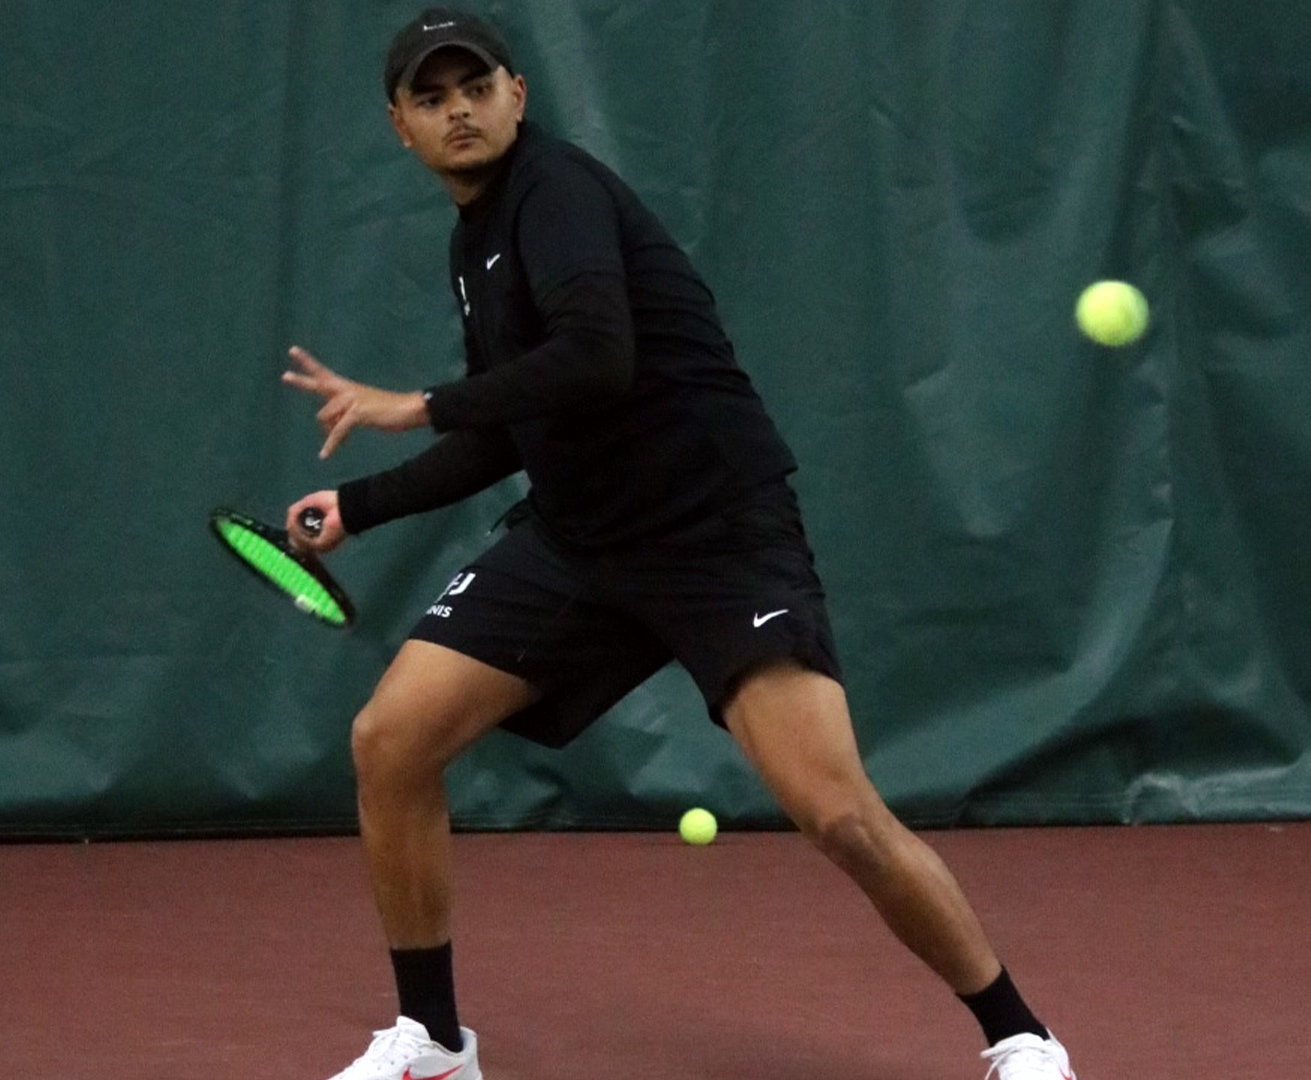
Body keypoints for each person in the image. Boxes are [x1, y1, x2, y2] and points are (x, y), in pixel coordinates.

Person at [279, 10, 1078, 1080]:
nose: (458, 109)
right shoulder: (473, 245)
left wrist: (416, 404)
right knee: (391, 742)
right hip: (580, 540)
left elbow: (597, 357)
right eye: (432, 97)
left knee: (838, 814)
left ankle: (1020, 1035)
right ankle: (432, 1039)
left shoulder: (557, 193)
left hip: (714, 534)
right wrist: (361, 506)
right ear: (400, 127)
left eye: (477, 86)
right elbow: (511, 429)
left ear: (520, 94)